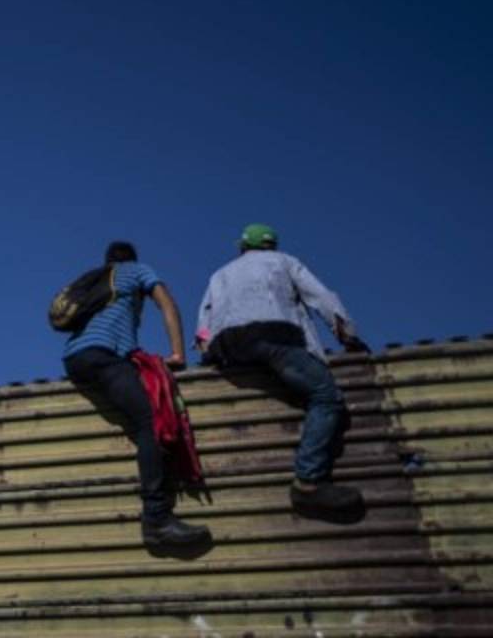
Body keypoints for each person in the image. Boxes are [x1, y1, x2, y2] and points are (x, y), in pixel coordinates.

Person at [196, 223, 369, 519]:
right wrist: (348, 335)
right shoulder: (284, 261)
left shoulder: (219, 274)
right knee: (326, 397)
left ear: (242, 247)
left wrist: (207, 353)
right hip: (273, 337)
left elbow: (204, 321)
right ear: (271, 246)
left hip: (229, 345)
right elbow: (322, 298)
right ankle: (309, 483)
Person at [62, 241, 210, 548]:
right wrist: (178, 353)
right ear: (131, 260)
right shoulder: (137, 271)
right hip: (104, 355)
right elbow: (166, 304)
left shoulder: (99, 280)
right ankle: (156, 519)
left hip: (76, 357)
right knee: (151, 421)